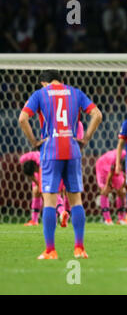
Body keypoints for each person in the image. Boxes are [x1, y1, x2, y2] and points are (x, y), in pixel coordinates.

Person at [18, 69, 102, 259]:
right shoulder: (76, 92)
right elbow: (97, 114)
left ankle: (50, 250)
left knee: (49, 200)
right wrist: (85, 138)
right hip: (73, 149)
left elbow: (23, 119)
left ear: (44, 83)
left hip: (50, 149)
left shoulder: (40, 94)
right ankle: (79, 249)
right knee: (76, 200)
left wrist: (34, 142)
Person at [96, 149, 127, 225]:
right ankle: (107, 219)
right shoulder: (115, 158)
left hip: (114, 168)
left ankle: (121, 219)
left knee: (122, 192)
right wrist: (107, 185)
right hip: (102, 165)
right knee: (105, 191)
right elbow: (111, 173)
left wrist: (122, 186)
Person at [20, 152, 42, 226]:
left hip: (47, 166)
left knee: (49, 193)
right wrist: (36, 182)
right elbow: (30, 173)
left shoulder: (40, 161)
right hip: (37, 166)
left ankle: (60, 214)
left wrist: (40, 185)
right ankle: (34, 220)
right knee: (36, 192)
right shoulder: (23, 160)